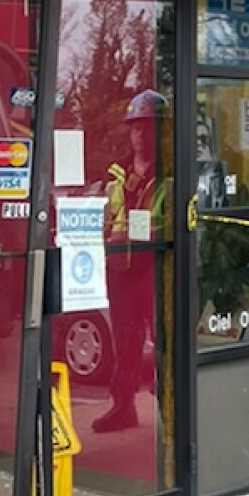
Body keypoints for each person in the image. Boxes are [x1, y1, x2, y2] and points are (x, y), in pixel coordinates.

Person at [92, 89, 169, 433]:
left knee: (164, 341)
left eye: (147, 127)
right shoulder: (117, 172)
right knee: (125, 341)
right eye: (135, 127)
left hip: (155, 266)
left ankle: (170, 411)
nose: (139, 134)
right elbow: (108, 216)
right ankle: (122, 407)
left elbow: (177, 221)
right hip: (120, 267)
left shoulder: (171, 173)